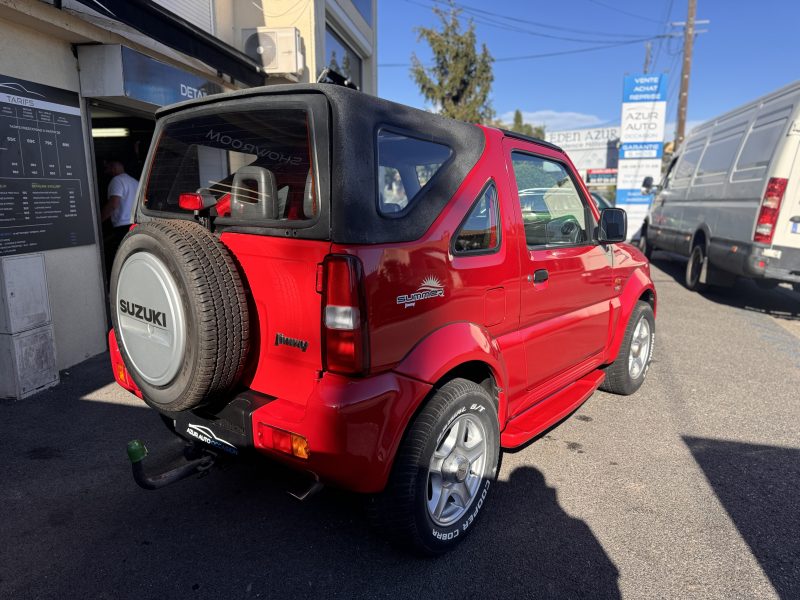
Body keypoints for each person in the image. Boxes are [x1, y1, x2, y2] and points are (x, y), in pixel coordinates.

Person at [101, 160, 138, 261]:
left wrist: (98, 222)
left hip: (122, 227)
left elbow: (113, 204)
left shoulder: (116, 180)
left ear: (113, 167)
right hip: (135, 224)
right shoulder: (135, 182)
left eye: (107, 168)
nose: (106, 172)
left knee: (120, 259)